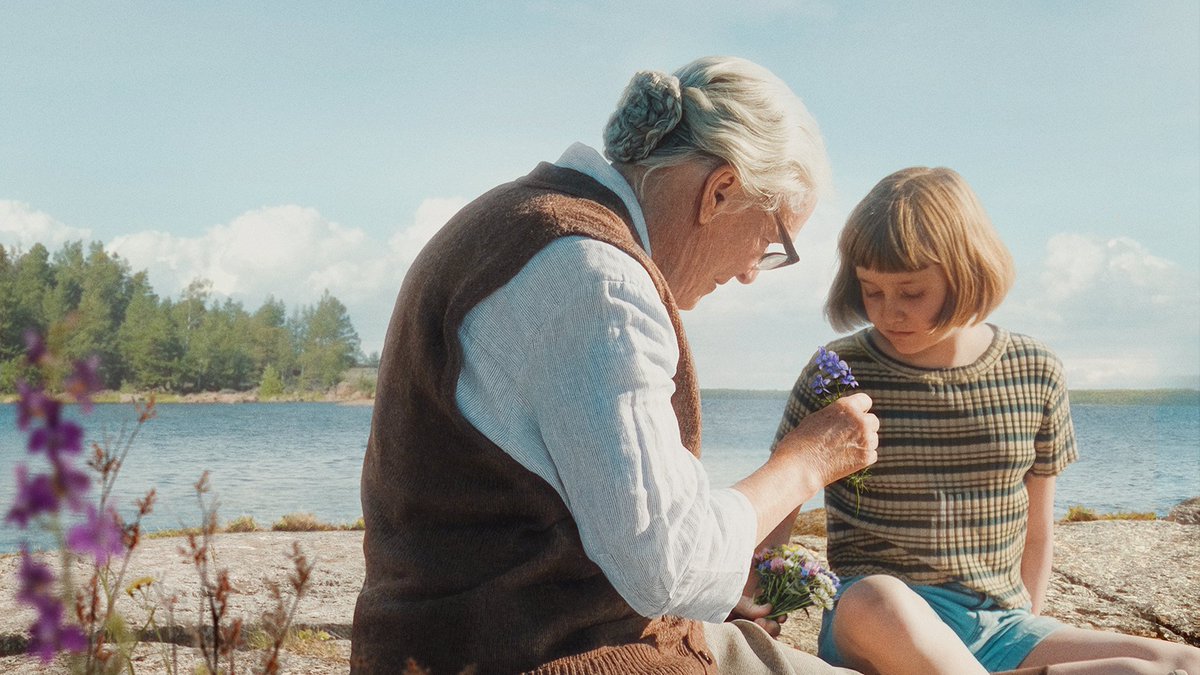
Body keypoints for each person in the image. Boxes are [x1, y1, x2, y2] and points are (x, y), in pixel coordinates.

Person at [351, 56, 880, 674]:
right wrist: (805, 463)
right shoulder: (596, 282)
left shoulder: (518, 220)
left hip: (454, 639)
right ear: (721, 191)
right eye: (770, 246)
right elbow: (669, 567)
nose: (747, 274)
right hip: (535, 655)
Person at [770, 167, 1200, 675]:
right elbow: (782, 498)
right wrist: (765, 604)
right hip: (877, 624)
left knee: (1179, 664)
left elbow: (1038, 531)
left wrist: (1030, 620)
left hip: (999, 629)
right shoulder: (836, 373)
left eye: (911, 293)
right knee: (879, 598)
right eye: (871, 290)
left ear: (967, 274)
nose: (889, 313)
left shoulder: (1035, 369)